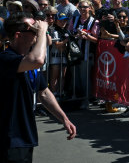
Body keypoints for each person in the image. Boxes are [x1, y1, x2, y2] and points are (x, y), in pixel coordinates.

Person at [0, 12, 76, 162]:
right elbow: (38, 60)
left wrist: (64, 118)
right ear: (18, 35)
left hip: (26, 136)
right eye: (32, 29)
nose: (37, 32)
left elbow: (44, 92)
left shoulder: (26, 61)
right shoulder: (5, 58)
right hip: (9, 138)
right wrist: (42, 31)